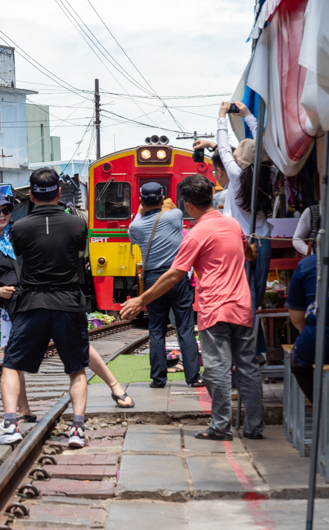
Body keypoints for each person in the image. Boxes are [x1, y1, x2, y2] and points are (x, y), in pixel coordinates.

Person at [121, 174, 264, 441]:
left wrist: (141, 300)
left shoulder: (197, 234)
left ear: (188, 204)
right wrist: (253, 251)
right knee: (247, 367)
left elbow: (175, 275)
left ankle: (221, 426)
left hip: (215, 309)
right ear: (211, 196)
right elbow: (249, 253)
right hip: (242, 306)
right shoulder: (233, 225)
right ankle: (255, 427)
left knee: (217, 369)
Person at [0, 191, 133, 412]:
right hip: (13, 306)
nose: (2, 215)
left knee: (80, 347)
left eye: (6, 210)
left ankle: (114, 385)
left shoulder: (25, 229)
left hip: (41, 297)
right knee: (13, 360)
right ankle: (24, 411)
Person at [0, 169, 90, 447]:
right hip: (69, 302)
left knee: (11, 364)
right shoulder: (78, 225)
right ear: (59, 193)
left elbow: (22, 254)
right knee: (77, 369)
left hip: (32, 304)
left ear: (30, 195)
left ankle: (10, 423)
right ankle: (78, 429)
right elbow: (77, 251)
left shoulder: (18, 229)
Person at [194, 101, 273, 360]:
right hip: (264, 242)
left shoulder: (237, 176)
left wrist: (221, 118)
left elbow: (224, 146)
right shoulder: (268, 173)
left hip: (239, 244)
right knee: (254, 298)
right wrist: (249, 115)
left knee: (239, 299)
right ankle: (256, 351)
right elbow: (262, 141)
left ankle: (245, 353)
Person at [128, 183, 202, 388]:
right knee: (185, 327)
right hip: (176, 276)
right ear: (162, 199)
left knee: (156, 329)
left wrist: (141, 209)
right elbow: (170, 206)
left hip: (152, 280)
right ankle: (193, 377)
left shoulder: (136, 227)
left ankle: (158, 379)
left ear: (141, 201)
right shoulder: (175, 216)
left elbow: (133, 227)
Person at [285, 254, 324, 402]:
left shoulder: (308, 264)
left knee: (298, 362)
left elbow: (297, 319)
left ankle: (322, 407)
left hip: (317, 342)